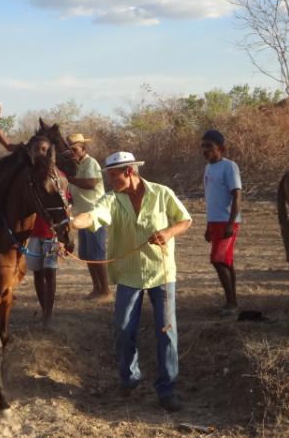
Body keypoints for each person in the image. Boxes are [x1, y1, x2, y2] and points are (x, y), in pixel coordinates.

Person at [70, 151, 192, 412]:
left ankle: (167, 388)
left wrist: (169, 232)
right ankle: (129, 378)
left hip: (162, 273)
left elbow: (185, 220)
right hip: (128, 274)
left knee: (167, 332)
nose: (111, 180)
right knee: (124, 329)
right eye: (109, 175)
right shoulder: (112, 199)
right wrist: (71, 222)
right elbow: (93, 215)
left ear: (130, 171)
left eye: (115, 175)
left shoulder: (161, 193)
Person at [25, 135, 70, 328]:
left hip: (52, 233)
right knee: (37, 272)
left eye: (44, 149)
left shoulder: (59, 176)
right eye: (37, 149)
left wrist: (66, 236)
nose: (40, 153)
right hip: (33, 232)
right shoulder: (25, 175)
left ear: (49, 151)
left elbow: (67, 205)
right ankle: (44, 309)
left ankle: (48, 316)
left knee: (50, 273)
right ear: (31, 151)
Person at [201, 129, 242, 316]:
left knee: (217, 260)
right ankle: (232, 301)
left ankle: (231, 304)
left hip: (227, 221)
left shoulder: (229, 166)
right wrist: (208, 226)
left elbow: (237, 195)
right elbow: (212, 198)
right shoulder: (208, 168)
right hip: (215, 221)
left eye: (209, 146)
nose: (205, 149)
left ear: (221, 148)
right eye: (203, 146)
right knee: (227, 262)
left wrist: (231, 223)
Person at [66, 133, 109, 299]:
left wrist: (71, 179)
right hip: (81, 215)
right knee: (88, 255)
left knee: (97, 254)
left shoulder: (90, 162)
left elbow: (91, 183)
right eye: (70, 150)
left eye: (75, 149)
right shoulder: (75, 165)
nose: (73, 152)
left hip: (94, 214)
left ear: (83, 148)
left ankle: (105, 290)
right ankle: (96, 288)